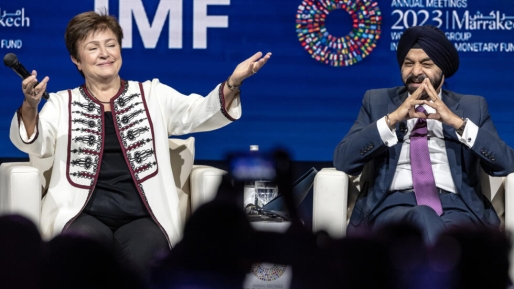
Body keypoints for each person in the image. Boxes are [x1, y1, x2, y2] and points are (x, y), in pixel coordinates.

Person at [10, 10, 271, 283]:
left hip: (143, 217)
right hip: (83, 214)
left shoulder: (152, 94)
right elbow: (36, 142)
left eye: (111, 45)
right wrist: (30, 106)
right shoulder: (62, 103)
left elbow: (200, 112)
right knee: (80, 256)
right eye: (93, 47)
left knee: (147, 259)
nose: (105, 53)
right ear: (76, 59)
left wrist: (233, 81)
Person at [333, 25, 514, 245]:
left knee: (426, 223)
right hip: (391, 207)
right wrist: (392, 120)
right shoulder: (377, 101)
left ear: (442, 70)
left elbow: (506, 164)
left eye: (426, 64)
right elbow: (343, 161)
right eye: (409, 63)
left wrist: (456, 123)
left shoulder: (472, 106)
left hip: (457, 206)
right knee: (424, 216)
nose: (416, 71)